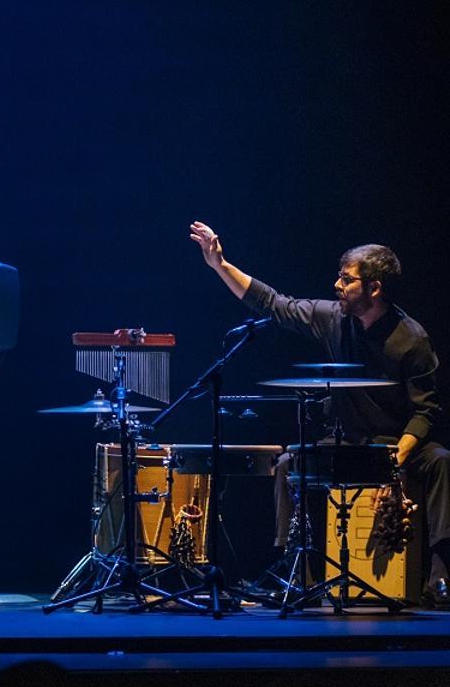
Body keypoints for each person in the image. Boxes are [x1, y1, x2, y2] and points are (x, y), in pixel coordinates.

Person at [190, 221, 449, 609]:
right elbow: (274, 303)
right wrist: (219, 265)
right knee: (288, 463)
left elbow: (425, 412)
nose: (337, 285)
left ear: (374, 288)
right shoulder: (333, 319)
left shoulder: (412, 339)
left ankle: (441, 579)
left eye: (347, 279)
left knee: (444, 463)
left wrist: (396, 461)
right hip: (350, 443)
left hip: (398, 447)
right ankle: (297, 572)